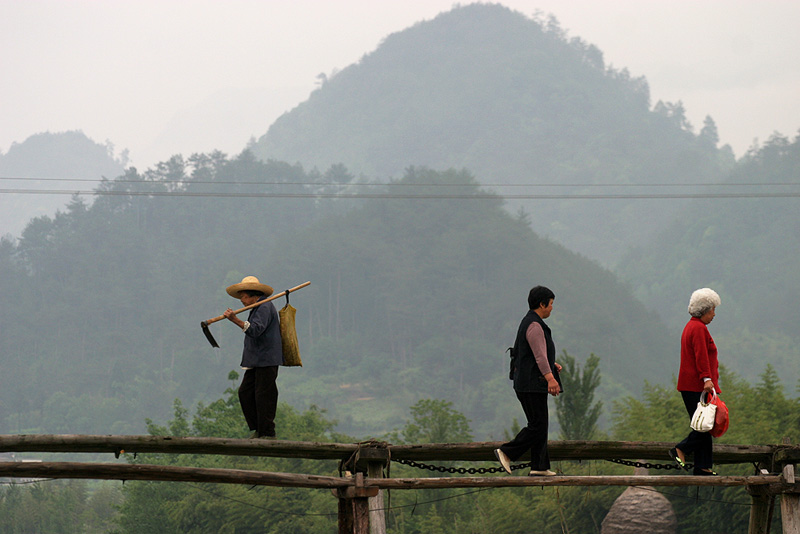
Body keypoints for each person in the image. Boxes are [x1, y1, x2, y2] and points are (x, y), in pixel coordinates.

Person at [495, 285, 563, 476]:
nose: (551, 308)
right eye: (550, 304)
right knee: (538, 425)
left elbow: (536, 354)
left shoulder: (531, 322)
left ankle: (540, 467)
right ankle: (507, 452)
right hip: (531, 384)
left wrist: (552, 364)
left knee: (540, 423)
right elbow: (540, 357)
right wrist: (551, 378)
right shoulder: (534, 325)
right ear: (542, 304)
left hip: (529, 382)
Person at [669, 287, 721, 475]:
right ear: (705, 310)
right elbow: (701, 356)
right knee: (704, 425)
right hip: (696, 385)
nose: (714, 314)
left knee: (705, 426)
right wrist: (706, 379)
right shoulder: (698, 328)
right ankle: (681, 449)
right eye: (712, 309)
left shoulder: (692, 326)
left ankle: (702, 467)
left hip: (692, 384)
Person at [224, 276, 284, 439]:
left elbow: (255, 330)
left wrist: (235, 320)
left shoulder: (264, 307)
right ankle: (259, 428)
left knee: (264, 395)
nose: (242, 300)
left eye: (243, 296)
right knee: (246, 392)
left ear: (253, 295)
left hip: (267, 359)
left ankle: (267, 433)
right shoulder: (257, 308)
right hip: (257, 360)